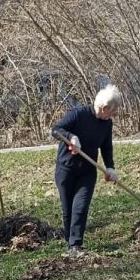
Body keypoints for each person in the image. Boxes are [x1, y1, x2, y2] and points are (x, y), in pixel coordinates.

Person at [51, 85, 123, 256]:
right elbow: (55, 130)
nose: (114, 114)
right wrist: (71, 137)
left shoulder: (107, 123)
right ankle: (70, 243)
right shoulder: (78, 114)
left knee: (80, 207)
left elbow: (106, 147)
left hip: (88, 171)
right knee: (68, 208)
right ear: (105, 108)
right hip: (66, 169)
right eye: (113, 111)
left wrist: (110, 167)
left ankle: (75, 245)